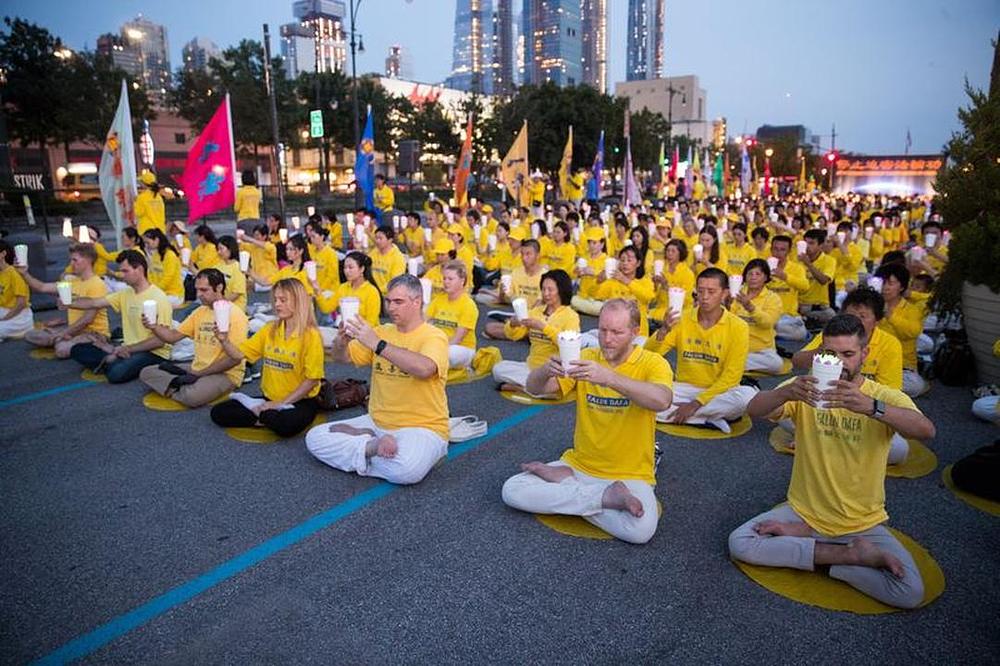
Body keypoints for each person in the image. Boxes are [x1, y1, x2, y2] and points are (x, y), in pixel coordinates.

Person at [729, 314, 936, 609]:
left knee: (909, 592)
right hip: (804, 513)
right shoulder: (807, 387)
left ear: (864, 354)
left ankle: (821, 551)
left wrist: (872, 408)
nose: (838, 363)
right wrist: (786, 391)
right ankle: (845, 555)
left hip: (862, 523)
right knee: (740, 543)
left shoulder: (879, 396)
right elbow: (753, 409)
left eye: (848, 354)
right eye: (830, 354)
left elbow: (927, 430)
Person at [501, 299, 673, 544]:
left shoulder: (653, 363)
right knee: (512, 490)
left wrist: (610, 379)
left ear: (635, 333)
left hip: (629, 474)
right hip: (580, 465)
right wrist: (544, 371)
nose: (607, 338)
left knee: (641, 530)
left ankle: (568, 490)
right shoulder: (584, 356)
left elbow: (662, 400)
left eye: (616, 332)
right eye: (602, 330)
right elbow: (535, 388)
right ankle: (603, 498)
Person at [305, 274, 450, 485]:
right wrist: (341, 341)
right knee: (315, 438)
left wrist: (378, 345)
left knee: (407, 470)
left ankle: (363, 449)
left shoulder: (433, 336)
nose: (391, 308)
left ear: (417, 301)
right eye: (389, 301)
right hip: (376, 422)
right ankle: (371, 447)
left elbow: (425, 368)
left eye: (398, 302)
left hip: (422, 427)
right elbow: (341, 358)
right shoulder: (382, 331)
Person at [645, 267, 756, 432]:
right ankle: (706, 419)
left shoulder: (739, 327)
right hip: (683, 388)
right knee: (642, 394)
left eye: (711, 291)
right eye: (701, 291)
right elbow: (649, 355)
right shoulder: (681, 318)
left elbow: (732, 376)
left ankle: (686, 415)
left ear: (724, 293)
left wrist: (696, 404)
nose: (704, 297)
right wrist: (663, 330)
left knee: (747, 397)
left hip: (719, 392)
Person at [210, 278, 324, 437]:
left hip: (299, 401)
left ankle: (263, 415)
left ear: (299, 302)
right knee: (219, 412)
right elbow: (239, 355)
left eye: (283, 300)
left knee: (285, 425)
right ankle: (264, 415)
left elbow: (312, 380)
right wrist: (224, 340)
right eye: (276, 300)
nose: (277, 304)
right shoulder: (269, 329)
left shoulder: (311, 336)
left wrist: (280, 404)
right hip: (268, 398)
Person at [139, 269, 248, 407]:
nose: (198, 295)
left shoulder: (236, 315)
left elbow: (234, 360)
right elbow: (172, 337)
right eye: (197, 290)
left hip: (225, 374)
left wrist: (201, 373)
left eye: (204, 290)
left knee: (191, 397)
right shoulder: (199, 312)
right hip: (196, 367)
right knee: (146, 372)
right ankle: (180, 383)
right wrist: (153, 326)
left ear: (219, 287)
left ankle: (177, 384)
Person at [68, 250, 173, 383]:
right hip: (129, 348)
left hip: (154, 353)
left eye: (125, 271)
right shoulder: (125, 293)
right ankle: (112, 356)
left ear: (139, 269)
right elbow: (95, 302)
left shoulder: (158, 298)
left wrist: (128, 349)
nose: (121, 275)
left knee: (116, 374)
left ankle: (110, 357)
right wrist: (69, 303)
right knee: (76, 350)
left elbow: (160, 341)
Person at [492, 269, 580, 394]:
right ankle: (534, 390)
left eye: (550, 290)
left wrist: (543, 327)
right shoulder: (536, 312)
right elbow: (513, 336)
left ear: (561, 291)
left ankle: (525, 388)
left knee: (557, 384)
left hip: (556, 370)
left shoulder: (571, 316)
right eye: (543, 289)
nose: (546, 293)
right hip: (532, 368)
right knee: (498, 369)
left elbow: (569, 346)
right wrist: (512, 324)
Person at [20, 243, 110, 356]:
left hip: (94, 333)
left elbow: (87, 319)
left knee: (62, 350)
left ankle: (64, 340)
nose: (71, 264)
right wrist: (24, 273)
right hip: (74, 331)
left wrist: (63, 332)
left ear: (88, 260)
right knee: (30, 335)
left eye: (75, 260)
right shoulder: (71, 281)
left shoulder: (97, 284)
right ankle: (63, 339)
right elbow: (42, 287)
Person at [874, 263, 928, 398]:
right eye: (882, 283)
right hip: (871, 362)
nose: (885, 287)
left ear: (902, 287)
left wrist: (889, 315)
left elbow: (913, 332)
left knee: (916, 385)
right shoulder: (871, 306)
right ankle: (881, 388)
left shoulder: (912, 309)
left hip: (901, 368)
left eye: (890, 283)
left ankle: (874, 388)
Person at [315, 251, 382, 348]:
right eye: (345, 268)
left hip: (366, 337)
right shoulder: (343, 288)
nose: (347, 271)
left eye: (350, 267)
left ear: (362, 269)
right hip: (346, 333)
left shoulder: (371, 291)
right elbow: (327, 308)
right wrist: (317, 290)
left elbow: (371, 322)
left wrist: (355, 332)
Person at [731, 258, 784, 374]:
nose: (753, 277)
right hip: (737, 346)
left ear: (765, 278)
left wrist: (750, 307)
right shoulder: (736, 294)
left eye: (758, 274)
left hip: (762, 351)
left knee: (777, 364)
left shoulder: (773, 298)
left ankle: (733, 365)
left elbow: (767, 323)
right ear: (745, 277)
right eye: (750, 274)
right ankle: (735, 364)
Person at [484, 239, 545, 339]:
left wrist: (523, 319)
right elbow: (504, 300)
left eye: (528, 254)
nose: (524, 258)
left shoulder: (545, 276)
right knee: (489, 328)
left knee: (537, 328)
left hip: (538, 319)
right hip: (520, 317)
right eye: (522, 254)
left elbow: (539, 304)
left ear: (537, 255)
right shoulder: (516, 272)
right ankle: (526, 335)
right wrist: (502, 292)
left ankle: (523, 333)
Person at [425, 260, 478, 369]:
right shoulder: (439, 299)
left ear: (462, 281)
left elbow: (457, 339)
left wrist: (434, 347)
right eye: (444, 278)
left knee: (447, 353)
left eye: (450, 279)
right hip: (437, 343)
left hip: (460, 348)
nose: (446, 282)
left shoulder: (468, 305)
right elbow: (423, 322)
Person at [769, 235, 810, 341]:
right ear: (771, 249)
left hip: (787, 317)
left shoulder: (797, 268)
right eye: (775, 249)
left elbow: (805, 287)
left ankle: (768, 332)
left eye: (782, 250)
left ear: (789, 252)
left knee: (800, 333)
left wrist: (785, 277)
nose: (778, 253)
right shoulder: (763, 267)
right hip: (767, 313)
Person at [797, 229, 836, 328]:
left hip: (820, 307)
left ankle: (808, 320)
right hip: (800, 305)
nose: (807, 246)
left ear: (821, 245)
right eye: (805, 243)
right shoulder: (796, 260)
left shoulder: (829, 260)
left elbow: (823, 280)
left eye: (811, 243)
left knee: (832, 317)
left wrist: (808, 264)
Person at [0, 240, 34, 340]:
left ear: (3, 254)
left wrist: (4, 319)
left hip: (18, 317)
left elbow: (21, 303)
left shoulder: (14, 273)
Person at [142, 229, 185, 306]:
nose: (146, 246)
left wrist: (154, 290)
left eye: (147, 242)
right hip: (160, 292)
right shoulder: (155, 255)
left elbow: (168, 277)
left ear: (156, 240)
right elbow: (151, 274)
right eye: (145, 243)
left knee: (149, 305)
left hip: (173, 294)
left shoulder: (170, 255)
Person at [369, 224, 406, 295]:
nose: (377, 241)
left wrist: (377, 290)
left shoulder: (398, 257)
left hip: (388, 296)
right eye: (376, 238)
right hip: (372, 292)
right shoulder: (373, 252)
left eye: (380, 238)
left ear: (390, 240)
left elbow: (395, 283)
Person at [215, 235, 248, 311]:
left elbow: (236, 293)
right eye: (217, 249)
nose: (218, 252)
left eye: (221, 249)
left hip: (235, 308)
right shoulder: (218, 265)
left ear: (230, 249)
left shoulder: (238, 267)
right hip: (221, 304)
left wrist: (220, 303)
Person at [135, 170, 166, 235]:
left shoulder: (142, 197)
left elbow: (138, 213)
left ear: (143, 184)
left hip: (146, 231)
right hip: (160, 230)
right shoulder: (158, 197)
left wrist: (134, 202)